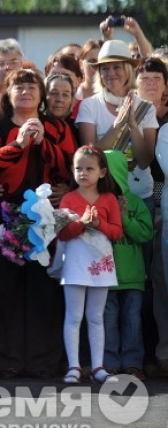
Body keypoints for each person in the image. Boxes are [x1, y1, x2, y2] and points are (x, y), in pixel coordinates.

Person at [0, 69, 76, 379]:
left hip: (46, 224)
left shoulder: (58, 128)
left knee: (43, 293)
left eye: (32, 86)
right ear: (9, 93)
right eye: (19, 86)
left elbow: (71, 166)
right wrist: (18, 144)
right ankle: (8, 361)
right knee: (5, 293)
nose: (25, 91)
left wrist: (43, 143)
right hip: (3, 221)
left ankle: (43, 362)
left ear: (41, 95)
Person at [57, 146, 123, 384]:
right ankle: (74, 366)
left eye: (89, 168)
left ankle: (98, 367)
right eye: (78, 168)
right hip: (75, 262)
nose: (83, 173)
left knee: (96, 316)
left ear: (102, 172)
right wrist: (82, 224)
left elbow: (117, 232)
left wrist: (98, 223)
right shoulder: (68, 198)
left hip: (100, 264)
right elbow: (62, 234)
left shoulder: (109, 199)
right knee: (73, 316)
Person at [76, 40, 159, 210]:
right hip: (102, 196)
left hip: (140, 197)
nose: (110, 73)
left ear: (128, 71)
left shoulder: (146, 108)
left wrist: (133, 127)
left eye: (117, 67)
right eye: (105, 68)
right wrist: (118, 126)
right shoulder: (89, 105)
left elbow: (144, 162)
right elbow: (90, 157)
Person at [104, 149, 151, 380]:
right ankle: (109, 363)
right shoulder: (98, 202)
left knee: (133, 321)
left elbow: (145, 234)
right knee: (108, 322)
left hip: (132, 276)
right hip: (106, 278)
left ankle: (133, 363)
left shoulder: (135, 201)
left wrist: (124, 218)